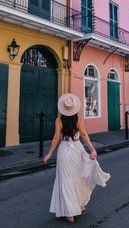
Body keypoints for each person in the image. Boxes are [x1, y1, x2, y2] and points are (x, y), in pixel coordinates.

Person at [44, 93, 110, 223]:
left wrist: (49, 153)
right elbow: (84, 135)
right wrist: (92, 149)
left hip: (64, 150)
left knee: (65, 180)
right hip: (77, 149)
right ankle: (78, 205)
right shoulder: (79, 118)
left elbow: (56, 137)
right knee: (78, 178)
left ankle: (70, 213)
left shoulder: (59, 119)